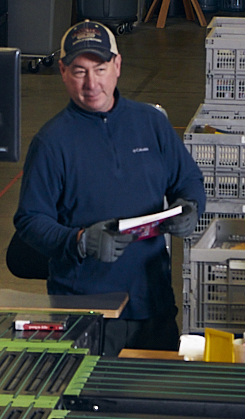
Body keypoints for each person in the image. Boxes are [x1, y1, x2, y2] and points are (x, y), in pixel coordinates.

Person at [14, 21, 207, 357]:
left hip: (152, 302)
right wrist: (79, 240)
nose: (92, 84)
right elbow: (30, 219)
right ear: (62, 71)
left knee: (154, 399)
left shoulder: (151, 124)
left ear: (117, 66)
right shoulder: (52, 142)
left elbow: (188, 179)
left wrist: (190, 207)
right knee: (88, 403)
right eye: (79, 71)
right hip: (86, 311)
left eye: (100, 69)